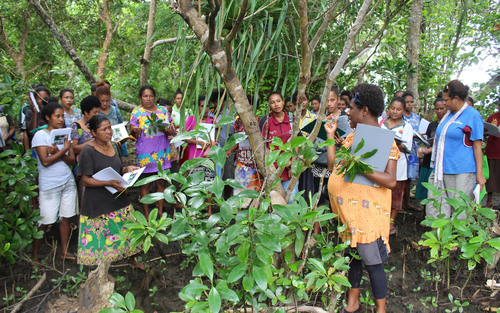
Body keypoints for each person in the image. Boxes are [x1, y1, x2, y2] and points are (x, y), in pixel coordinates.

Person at [325, 83, 399, 313]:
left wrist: (359, 165)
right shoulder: (352, 137)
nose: (348, 111)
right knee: (353, 257)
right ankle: (352, 303)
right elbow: (332, 166)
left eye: (352, 108)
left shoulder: (385, 140)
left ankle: (381, 310)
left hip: (367, 217)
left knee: (373, 263)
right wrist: (330, 136)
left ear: (365, 110)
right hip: (350, 215)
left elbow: (390, 180)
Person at [77, 115, 143, 269]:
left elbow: (118, 169)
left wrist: (127, 169)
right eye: (104, 129)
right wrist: (107, 182)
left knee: (131, 229)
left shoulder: (114, 146)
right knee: (101, 241)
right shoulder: (88, 151)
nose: (109, 132)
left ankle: (135, 260)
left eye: (110, 128)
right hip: (97, 202)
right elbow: (85, 179)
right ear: (93, 132)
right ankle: (102, 273)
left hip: (117, 197)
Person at [426, 80, 486, 220]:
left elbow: (477, 146)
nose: (444, 102)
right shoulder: (448, 115)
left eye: (447, 100)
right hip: (441, 169)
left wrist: (480, 175)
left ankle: (460, 240)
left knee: (460, 209)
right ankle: (437, 239)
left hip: (461, 170)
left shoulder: (472, 115)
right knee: (437, 204)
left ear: (457, 99)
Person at [31, 102, 77, 263]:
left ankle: (64, 251)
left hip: (67, 180)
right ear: (47, 117)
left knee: (66, 217)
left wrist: (59, 151)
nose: (60, 119)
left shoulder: (65, 134)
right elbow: (45, 161)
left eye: (62, 116)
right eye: (57, 116)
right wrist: (64, 149)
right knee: (45, 220)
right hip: (50, 184)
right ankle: (35, 256)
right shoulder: (41, 136)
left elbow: (71, 160)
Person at [130, 85, 175, 220]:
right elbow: (132, 131)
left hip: (162, 152)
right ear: (140, 98)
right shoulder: (136, 112)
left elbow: (172, 129)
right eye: (145, 96)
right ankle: (147, 215)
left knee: (161, 183)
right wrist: (134, 131)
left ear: (154, 97)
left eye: (151, 96)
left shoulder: (162, 110)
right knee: (146, 184)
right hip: (145, 154)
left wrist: (168, 131)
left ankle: (160, 212)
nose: (148, 99)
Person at [380, 97, 413, 235]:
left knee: (396, 194)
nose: (395, 111)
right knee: (382, 192)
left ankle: (390, 222)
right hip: (381, 163)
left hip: (398, 164)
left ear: (403, 111)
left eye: (399, 109)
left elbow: (406, 146)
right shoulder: (381, 123)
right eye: (393, 108)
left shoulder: (407, 127)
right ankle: (381, 218)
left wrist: (391, 142)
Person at [259, 92, 299, 202]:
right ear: (269, 105)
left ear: (282, 101)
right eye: (272, 102)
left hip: (289, 168)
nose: (276, 104)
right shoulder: (265, 121)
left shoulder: (292, 119)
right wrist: (270, 167)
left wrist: (292, 162)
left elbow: (297, 142)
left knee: (292, 199)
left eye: (278, 101)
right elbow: (262, 146)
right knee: (275, 201)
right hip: (273, 169)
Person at [415, 96, 447, 201]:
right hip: (429, 160)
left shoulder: (448, 124)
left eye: (442, 108)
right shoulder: (432, 125)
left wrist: (429, 150)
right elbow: (428, 141)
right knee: (425, 190)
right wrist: (423, 148)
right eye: (437, 109)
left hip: (441, 161)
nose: (439, 111)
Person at [96, 83, 128, 157]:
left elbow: (120, 122)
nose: (105, 103)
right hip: (102, 145)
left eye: (107, 101)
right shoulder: (96, 112)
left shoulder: (114, 109)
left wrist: (123, 127)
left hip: (116, 143)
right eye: (102, 101)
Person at [402, 91, 420, 211]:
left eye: (411, 102)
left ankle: (407, 202)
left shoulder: (416, 117)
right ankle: (397, 204)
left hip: (413, 150)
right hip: (402, 150)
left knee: (409, 178)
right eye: (407, 102)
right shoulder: (399, 116)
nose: (409, 104)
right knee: (400, 177)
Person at [23, 86, 50, 154]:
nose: (42, 101)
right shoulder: (30, 113)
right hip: (35, 147)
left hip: (50, 146)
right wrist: (34, 112)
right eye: (39, 98)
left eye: (45, 98)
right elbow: (30, 132)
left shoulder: (52, 112)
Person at [484, 99, 500, 208]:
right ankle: (489, 202)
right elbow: (484, 131)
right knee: (491, 178)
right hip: (492, 151)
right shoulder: (493, 117)